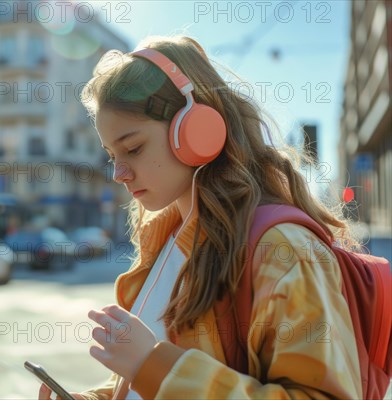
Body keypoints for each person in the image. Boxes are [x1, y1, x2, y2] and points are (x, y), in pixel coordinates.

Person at [38, 35, 361, 399]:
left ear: (196, 130)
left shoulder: (281, 249)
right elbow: (154, 383)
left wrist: (151, 366)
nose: (119, 174)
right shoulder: (165, 242)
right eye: (113, 155)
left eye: (133, 148)